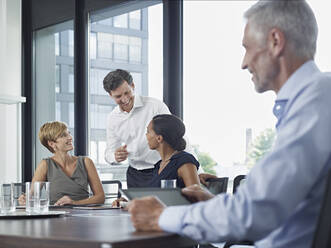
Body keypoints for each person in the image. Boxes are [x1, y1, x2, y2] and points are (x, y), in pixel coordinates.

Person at [127, 1, 331, 247]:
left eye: (247, 48)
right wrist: (215, 206)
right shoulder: (314, 100)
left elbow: (254, 213)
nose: (244, 63)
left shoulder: (315, 104)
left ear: (276, 41)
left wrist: (162, 216)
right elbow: (274, 203)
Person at [103, 69, 171, 188]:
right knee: (135, 206)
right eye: (118, 96)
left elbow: (177, 136)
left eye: (127, 93)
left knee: (161, 206)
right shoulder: (112, 118)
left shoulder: (155, 106)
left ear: (133, 86)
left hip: (161, 168)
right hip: (135, 174)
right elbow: (109, 152)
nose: (124, 99)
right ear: (110, 95)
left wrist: (196, 171)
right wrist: (115, 156)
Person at [20, 121, 105, 206]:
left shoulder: (86, 162)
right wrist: (25, 199)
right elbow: (32, 195)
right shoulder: (45, 165)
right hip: (56, 215)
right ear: (52, 143)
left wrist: (74, 203)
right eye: (63, 135)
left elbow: (100, 197)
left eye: (69, 133)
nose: (70, 137)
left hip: (83, 214)